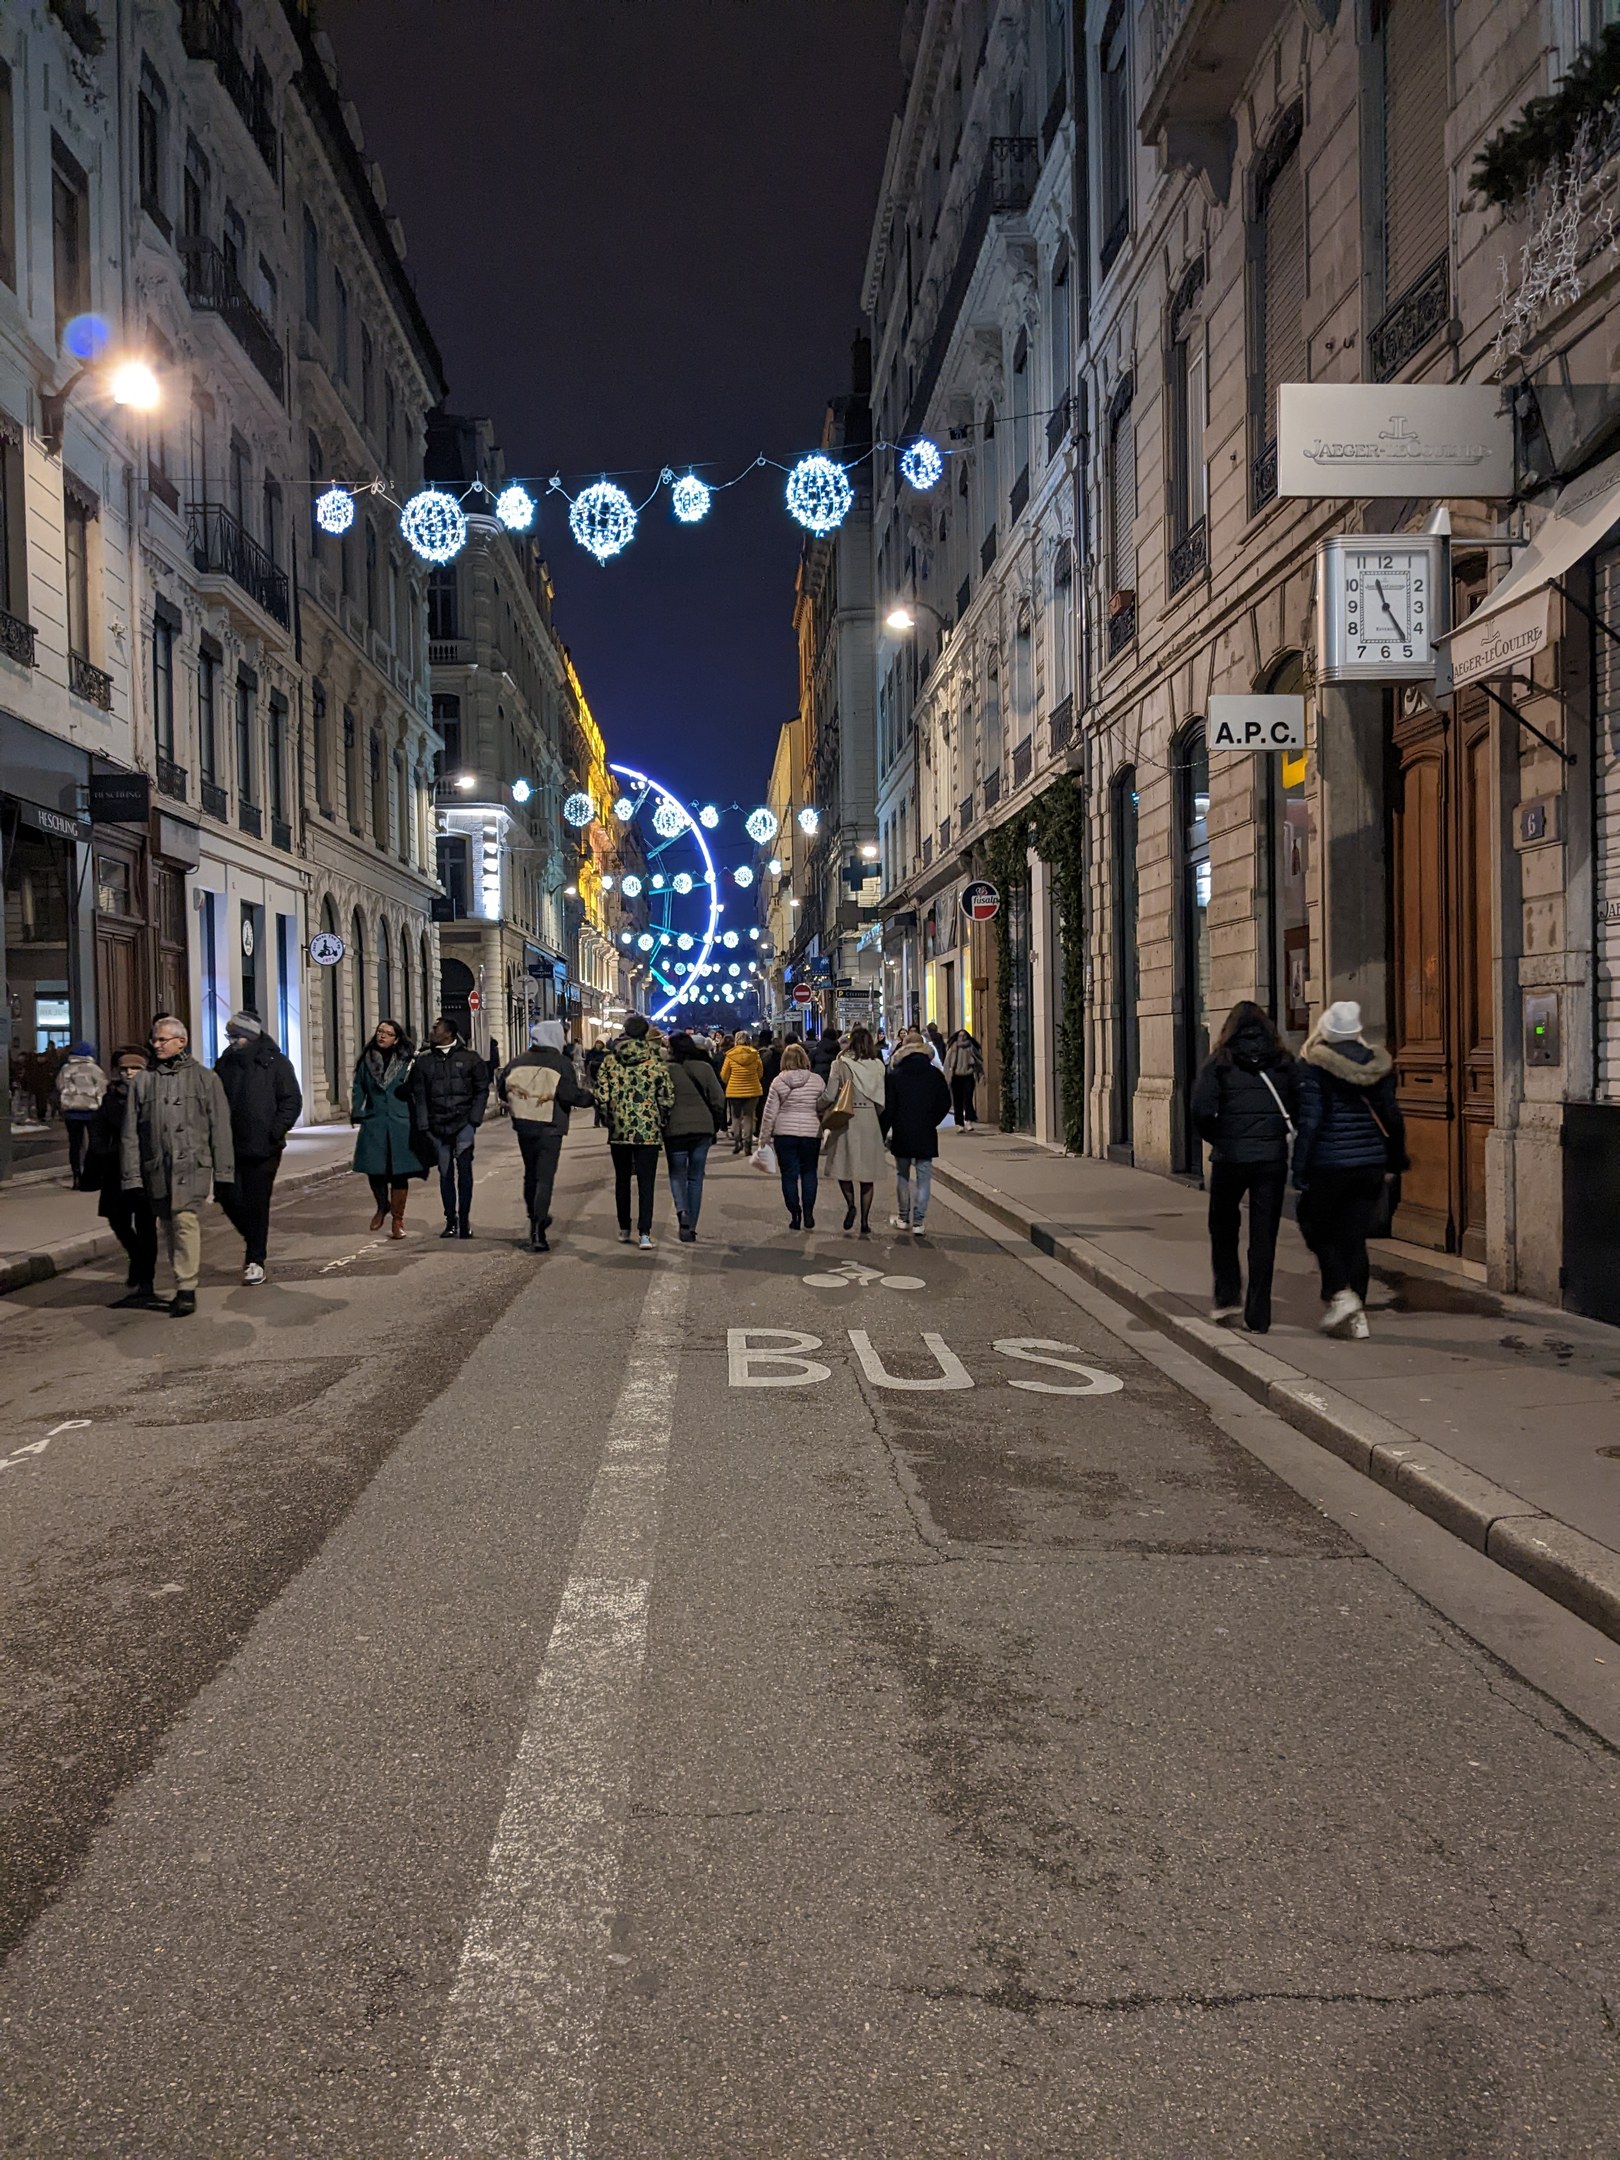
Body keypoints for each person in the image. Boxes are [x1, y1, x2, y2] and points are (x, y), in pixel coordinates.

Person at [1292, 1000, 1408, 1340]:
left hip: (1329, 1164)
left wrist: (1299, 1169)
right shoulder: (1378, 1066)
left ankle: (1341, 1294)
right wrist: (1395, 1160)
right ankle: (1357, 1316)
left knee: (1315, 1225)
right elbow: (1393, 1117)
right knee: (1354, 1238)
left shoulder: (1315, 1067)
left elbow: (1310, 1123)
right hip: (1369, 1164)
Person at [1191, 1001, 1297, 1335]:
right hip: (1271, 1160)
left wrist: (1220, 1137)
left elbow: (1201, 1111)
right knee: (1264, 1236)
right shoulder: (1284, 1063)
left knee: (1223, 1229)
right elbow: (1298, 1106)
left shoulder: (1219, 1063)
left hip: (1230, 1159)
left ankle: (1227, 1298)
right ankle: (1259, 1314)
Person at [120, 1015, 234, 1318]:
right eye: (154, 1040)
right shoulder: (143, 1081)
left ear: (181, 1041)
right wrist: (131, 1176)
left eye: (162, 1040)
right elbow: (130, 1134)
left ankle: (186, 1286)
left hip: (192, 1168)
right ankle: (180, 1279)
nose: (155, 1045)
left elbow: (219, 1129)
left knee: (185, 1221)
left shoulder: (205, 1078)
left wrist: (224, 1174)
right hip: (157, 1167)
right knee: (169, 1226)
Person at [213, 1012, 303, 1285]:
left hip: (264, 1146)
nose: (232, 1041)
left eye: (236, 1036)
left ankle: (255, 1259)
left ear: (251, 1036)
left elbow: (291, 1100)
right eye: (230, 1036)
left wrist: (275, 1131)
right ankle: (252, 1238)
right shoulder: (225, 1061)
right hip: (228, 1145)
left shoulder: (275, 1062)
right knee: (227, 1196)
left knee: (256, 1202)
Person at [498, 1018, 588, 1252]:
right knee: (545, 1177)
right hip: (550, 1127)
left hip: (524, 1124)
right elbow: (570, 1095)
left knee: (530, 1173)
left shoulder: (517, 1061)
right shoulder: (560, 1063)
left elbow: (502, 1088)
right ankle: (538, 1229)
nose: (565, 1040)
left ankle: (534, 1216)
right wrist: (591, 1098)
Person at [595, 1012, 674, 1248]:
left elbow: (601, 1095)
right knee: (646, 1182)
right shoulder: (655, 1060)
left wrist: (609, 1118)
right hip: (648, 1130)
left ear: (626, 1032)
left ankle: (623, 1227)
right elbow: (667, 1097)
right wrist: (661, 1119)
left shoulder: (610, 1060)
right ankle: (645, 1233)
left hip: (619, 1130)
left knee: (621, 1180)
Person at [87, 1045, 158, 1307]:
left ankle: (145, 1282)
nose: (129, 1073)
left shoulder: (153, 1096)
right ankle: (137, 1257)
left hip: (146, 1172)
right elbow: (98, 1130)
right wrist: (104, 1152)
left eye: (135, 1068)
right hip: (116, 1171)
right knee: (117, 1219)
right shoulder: (111, 1098)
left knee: (146, 1226)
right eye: (125, 1069)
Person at [409, 1017, 490, 1239]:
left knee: (465, 1172)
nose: (433, 1030)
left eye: (437, 1027)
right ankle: (450, 1221)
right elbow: (419, 1095)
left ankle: (464, 1220)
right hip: (437, 1127)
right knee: (445, 1174)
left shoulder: (470, 1059)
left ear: (450, 1033)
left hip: (463, 1124)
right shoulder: (424, 1062)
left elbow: (481, 1089)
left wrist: (474, 1120)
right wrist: (424, 1124)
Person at [351, 1018, 424, 1240]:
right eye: (379, 1031)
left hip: (401, 1122)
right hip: (375, 1121)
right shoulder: (367, 1060)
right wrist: (357, 1109)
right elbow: (359, 1087)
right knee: (375, 1171)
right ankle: (382, 1205)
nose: (381, 1035)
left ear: (396, 1039)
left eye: (387, 1033)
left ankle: (397, 1220)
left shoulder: (407, 1061)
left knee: (399, 1174)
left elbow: (418, 1088)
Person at [882, 1027, 953, 1237]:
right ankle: (919, 1221)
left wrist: (883, 1131)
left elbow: (889, 1107)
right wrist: (932, 1120)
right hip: (925, 1131)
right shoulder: (934, 1075)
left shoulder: (895, 1075)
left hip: (902, 1131)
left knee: (902, 1175)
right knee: (924, 1177)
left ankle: (904, 1218)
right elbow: (945, 1103)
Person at [820, 1025, 888, 1236]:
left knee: (843, 1167)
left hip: (846, 1117)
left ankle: (851, 1205)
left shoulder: (840, 1064)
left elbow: (830, 1095)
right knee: (867, 1175)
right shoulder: (877, 1065)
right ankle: (865, 1221)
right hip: (869, 1119)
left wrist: (817, 1106)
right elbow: (881, 1096)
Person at [664, 1030, 726, 1242]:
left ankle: (681, 1210)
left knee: (677, 1173)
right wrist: (717, 1123)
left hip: (675, 1130)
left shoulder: (666, 1070)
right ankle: (691, 1227)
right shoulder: (705, 1068)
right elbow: (718, 1098)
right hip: (702, 1129)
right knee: (696, 1177)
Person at [758, 1041, 824, 1230]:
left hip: (785, 1134)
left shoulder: (779, 1081)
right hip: (811, 1132)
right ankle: (809, 1212)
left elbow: (769, 1112)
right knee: (809, 1172)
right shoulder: (817, 1080)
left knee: (789, 1175)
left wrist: (764, 1139)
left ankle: (795, 1214)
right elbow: (823, 1106)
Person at [56, 1042, 107, 1189]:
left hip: (72, 1112)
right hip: (91, 1111)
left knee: (75, 1144)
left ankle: (76, 1176)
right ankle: (92, 1175)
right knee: (94, 1143)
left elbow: (60, 1086)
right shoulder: (95, 1070)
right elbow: (102, 1090)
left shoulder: (66, 1069)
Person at [720, 1029, 765, 1153]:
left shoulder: (730, 1055)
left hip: (734, 1091)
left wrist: (731, 1082)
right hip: (753, 1090)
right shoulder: (755, 1054)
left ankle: (737, 1141)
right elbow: (760, 1073)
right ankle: (748, 1143)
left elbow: (724, 1075)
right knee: (749, 1116)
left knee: (736, 1116)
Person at [942, 1028, 983, 1132]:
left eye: (964, 1035)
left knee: (968, 1099)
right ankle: (960, 1124)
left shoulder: (971, 1047)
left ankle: (969, 1121)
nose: (962, 1037)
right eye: (960, 1036)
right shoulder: (953, 1047)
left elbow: (978, 1060)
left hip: (968, 1076)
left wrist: (980, 1073)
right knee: (957, 1101)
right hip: (956, 1077)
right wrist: (946, 1077)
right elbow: (947, 1063)